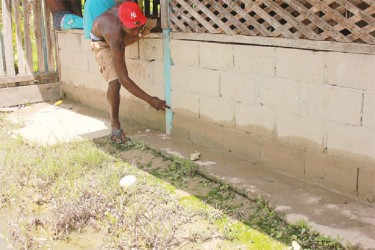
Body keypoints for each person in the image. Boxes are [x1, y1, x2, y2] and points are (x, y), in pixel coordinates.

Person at [88, 1, 169, 143]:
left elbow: (138, 27)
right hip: (103, 43)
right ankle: (115, 126)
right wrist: (150, 100)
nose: (138, 32)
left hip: (122, 33)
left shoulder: (128, 7)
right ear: (122, 23)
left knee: (159, 23)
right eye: (134, 28)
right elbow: (124, 79)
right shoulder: (113, 33)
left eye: (139, 26)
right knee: (115, 81)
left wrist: (138, 28)